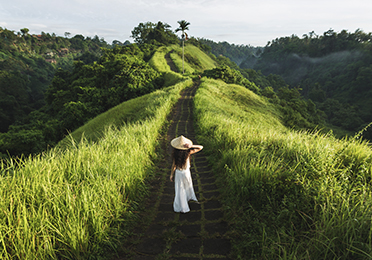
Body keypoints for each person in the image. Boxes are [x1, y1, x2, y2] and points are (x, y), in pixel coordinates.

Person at [170, 135, 203, 213]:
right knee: (187, 186)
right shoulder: (188, 152)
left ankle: (182, 206)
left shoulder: (175, 154)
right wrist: (191, 146)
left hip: (178, 173)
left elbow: (173, 165)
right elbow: (200, 147)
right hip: (186, 173)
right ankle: (187, 200)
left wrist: (171, 174)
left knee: (179, 189)